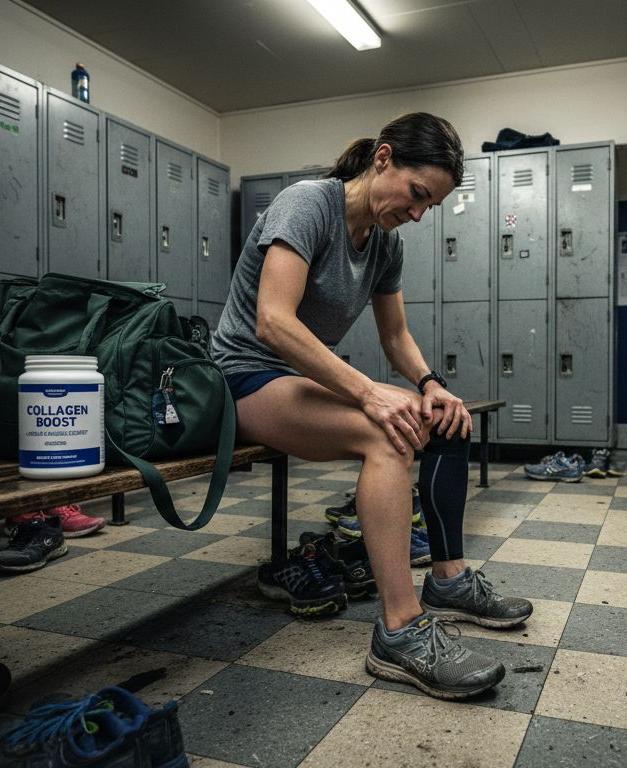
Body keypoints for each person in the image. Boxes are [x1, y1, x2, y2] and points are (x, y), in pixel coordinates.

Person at [209, 112, 531, 700]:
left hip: (302, 379)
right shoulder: (307, 204)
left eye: (428, 206)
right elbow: (273, 323)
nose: (416, 214)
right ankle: (400, 631)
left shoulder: (385, 245)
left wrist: (431, 382)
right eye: (416, 195)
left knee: (444, 420)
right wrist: (367, 391)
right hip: (246, 379)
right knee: (386, 432)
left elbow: (395, 336)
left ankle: (449, 580)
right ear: (382, 159)